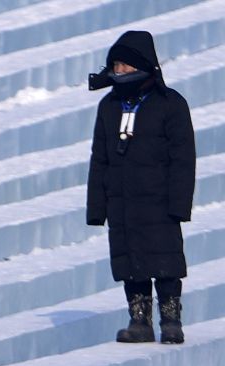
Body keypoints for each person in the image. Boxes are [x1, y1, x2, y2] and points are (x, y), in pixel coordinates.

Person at [86, 31, 195, 345]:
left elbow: (183, 158)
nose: (119, 71)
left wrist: (179, 204)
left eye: (125, 65)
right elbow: (100, 160)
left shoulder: (170, 104)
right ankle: (139, 320)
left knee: (165, 260)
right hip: (122, 203)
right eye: (115, 65)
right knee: (130, 263)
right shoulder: (109, 107)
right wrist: (97, 208)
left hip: (159, 201)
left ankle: (171, 319)